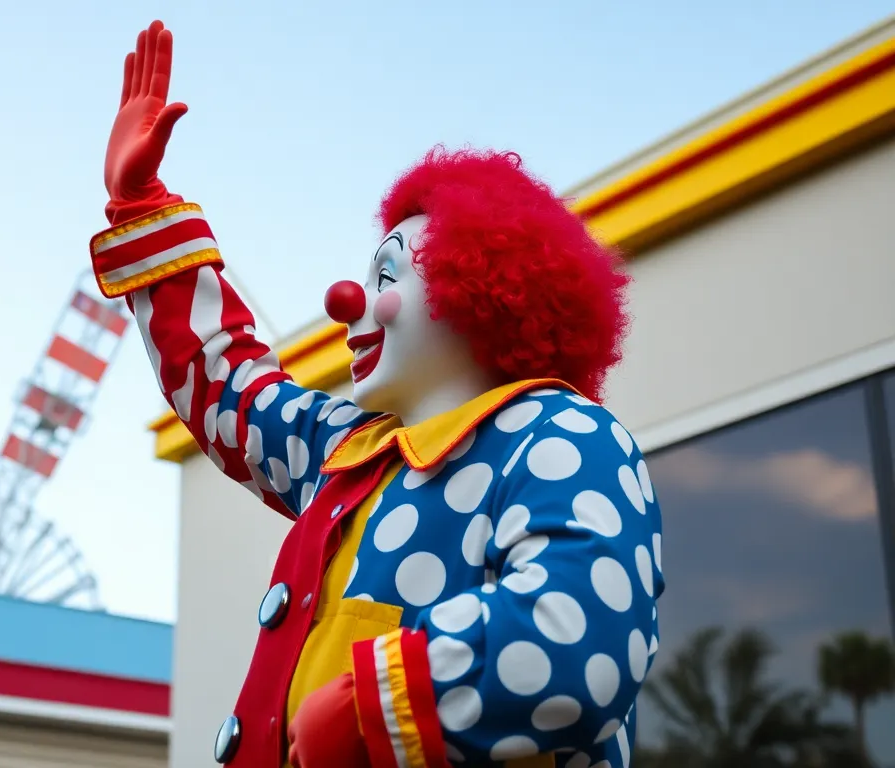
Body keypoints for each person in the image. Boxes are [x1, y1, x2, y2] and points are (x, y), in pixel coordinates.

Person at [89, 20, 664, 768]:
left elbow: (582, 636)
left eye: (387, 278)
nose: (346, 301)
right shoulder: (349, 454)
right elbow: (228, 383)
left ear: (477, 291)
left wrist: (378, 702)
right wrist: (139, 204)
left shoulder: (560, 434)